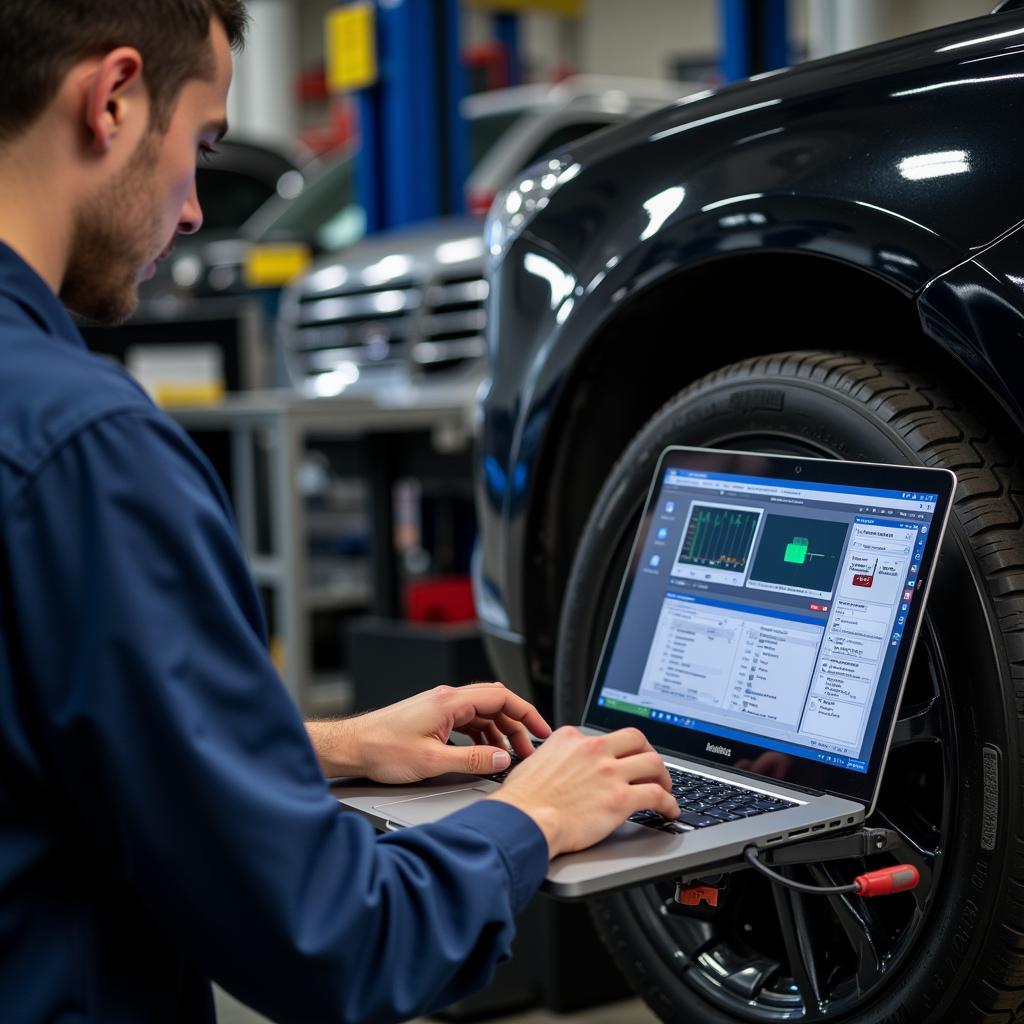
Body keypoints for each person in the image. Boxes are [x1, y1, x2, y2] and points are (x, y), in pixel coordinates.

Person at [0, 3, 679, 1021]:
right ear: (112, 100)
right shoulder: (88, 450)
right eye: (204, 142)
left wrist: (321, 746)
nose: (192, 210)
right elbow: (331, 938)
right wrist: (528, 818)